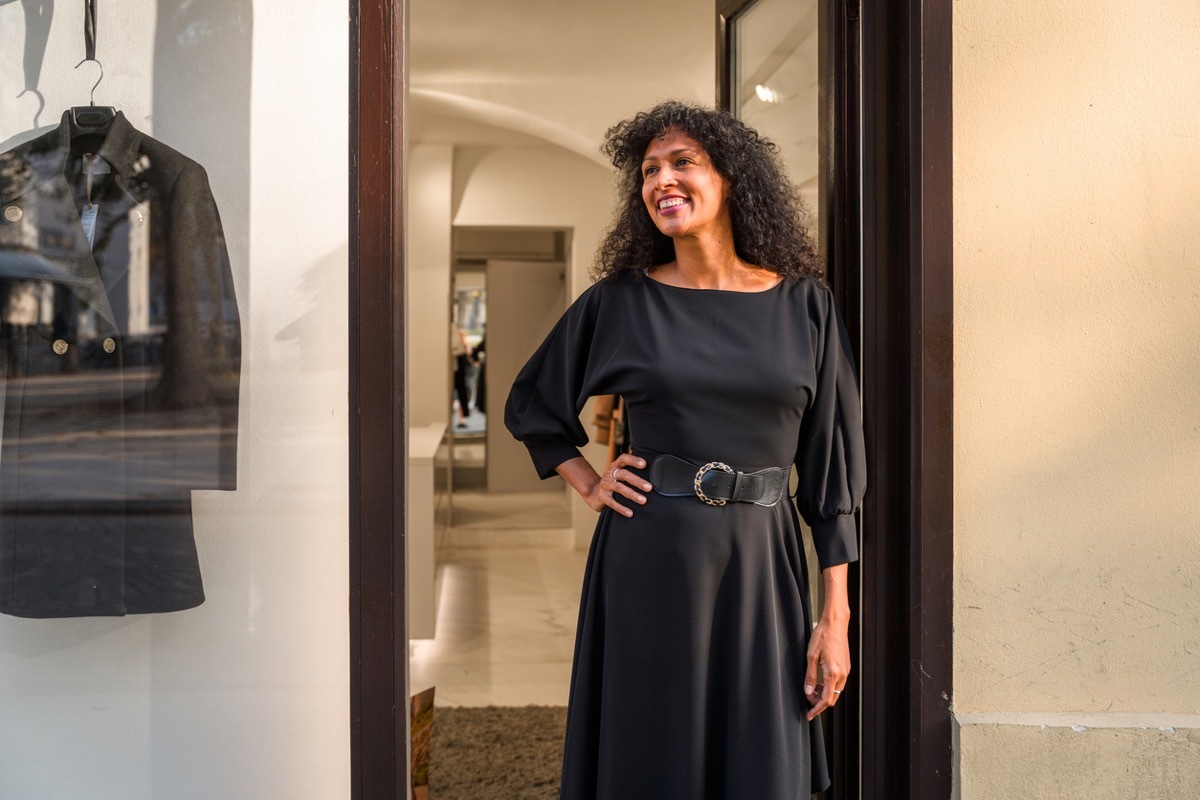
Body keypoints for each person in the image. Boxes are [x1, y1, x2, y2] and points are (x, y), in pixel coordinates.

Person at [504, 101, 866, 799]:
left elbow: (832, 474)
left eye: (682, 163)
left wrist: (835, 616)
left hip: (764, 564)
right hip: (649, 556)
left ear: (731, 179)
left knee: (757, 759)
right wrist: (587, 480)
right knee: (651, 755)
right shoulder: (620, 303)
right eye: (648, 171)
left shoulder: (806, 309)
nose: (661, 181)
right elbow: (534, 403)